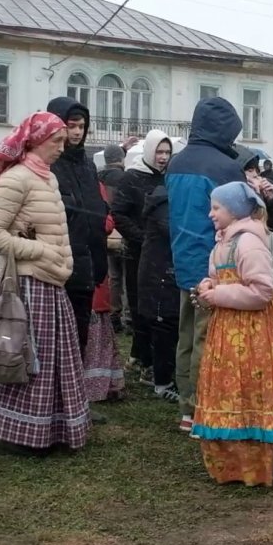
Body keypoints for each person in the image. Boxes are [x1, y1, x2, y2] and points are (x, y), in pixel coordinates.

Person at [0, 111, 91, 451]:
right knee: (23, 356)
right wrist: (40, 250)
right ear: (36, 141)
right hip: (24, 284)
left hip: (50, 280)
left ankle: (49, 429)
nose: (61, 147)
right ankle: (16, 433)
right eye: (56, 141)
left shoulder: (47, 178)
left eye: (62, 141)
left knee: (51, 360)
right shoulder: (16, 179)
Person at [192, 181, 273, 486]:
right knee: (228, 386)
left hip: (251, 331)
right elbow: (219, 277)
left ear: (234, 210)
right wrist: (208, 285)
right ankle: (230, 463)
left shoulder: (249, 243)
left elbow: (262, 292)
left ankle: (254, 461)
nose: (211, 214)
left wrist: (219, 294)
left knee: (250, 385)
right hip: (228, 327)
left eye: (216, 208)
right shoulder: (223, 241)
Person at [166, 97, 244, 432]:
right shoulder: (225, 167)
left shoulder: (176, 162)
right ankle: (202, 406)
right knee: (207, 337)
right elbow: (238, 217)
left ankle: (186, 407)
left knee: (185, 335)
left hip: (182, 258)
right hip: (215, 264)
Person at [45, 96, 109, 356]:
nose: (77, 132)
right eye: (71, 126)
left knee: (80, 331)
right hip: (59, 259)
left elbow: (95, 210)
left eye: (81, 126)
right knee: (56, 334)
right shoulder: (49, 164)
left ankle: (75, 377)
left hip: (89, 258)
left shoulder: (87, 164)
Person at [113, 129, 174, 383]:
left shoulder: (169, 178)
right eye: (159, 152)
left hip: (162, 254)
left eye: (167, 152)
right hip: (138, 253)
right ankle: (142, 357)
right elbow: (118, 213)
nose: (163, 157)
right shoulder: (132, 177)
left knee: (158, 307)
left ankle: (145, 356)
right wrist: (141, 237)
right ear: (149, 151)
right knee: (140, 306)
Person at [136, 139, 188, 403]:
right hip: (159, 275)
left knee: (168, 326)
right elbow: (176, 232)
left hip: (164, 272)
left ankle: (162, 375)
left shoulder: (168, 198)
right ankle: (161, 382)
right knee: (163, 327)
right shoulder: (164, 203)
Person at [85, 183, 126, 404]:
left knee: (96, 332)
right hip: (88, 267)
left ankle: (96, 384)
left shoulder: (93, 184)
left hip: (92, 268)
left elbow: (107, 220)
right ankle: (94, 384)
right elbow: (106, 221)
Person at [97, 143, 128, 330]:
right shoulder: (125, 178)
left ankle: (114, 314)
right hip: (122, 232)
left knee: (113, 277)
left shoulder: (98, 177)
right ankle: (128, 317)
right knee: (126, 277)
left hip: (106, 231)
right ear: (121, 159)